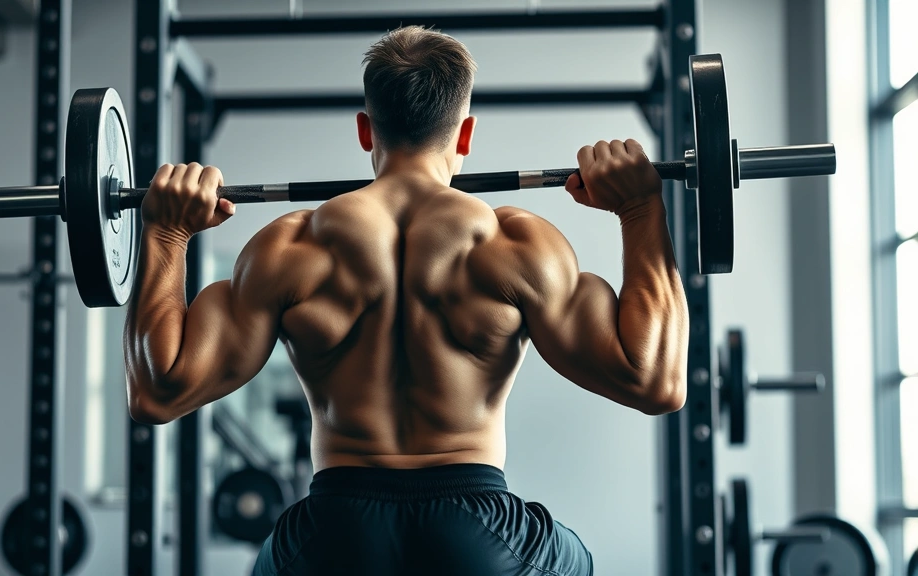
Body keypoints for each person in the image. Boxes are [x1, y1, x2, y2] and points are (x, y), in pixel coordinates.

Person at [123, 25, 688, 576]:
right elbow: (656, 381)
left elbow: (157, 391)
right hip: (477, 536)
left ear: (365, 130)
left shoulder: (289, 248)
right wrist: (640, 210)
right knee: (575, 561)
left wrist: (166, 234)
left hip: (334, 532)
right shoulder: (516, 245)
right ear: (465, 135)